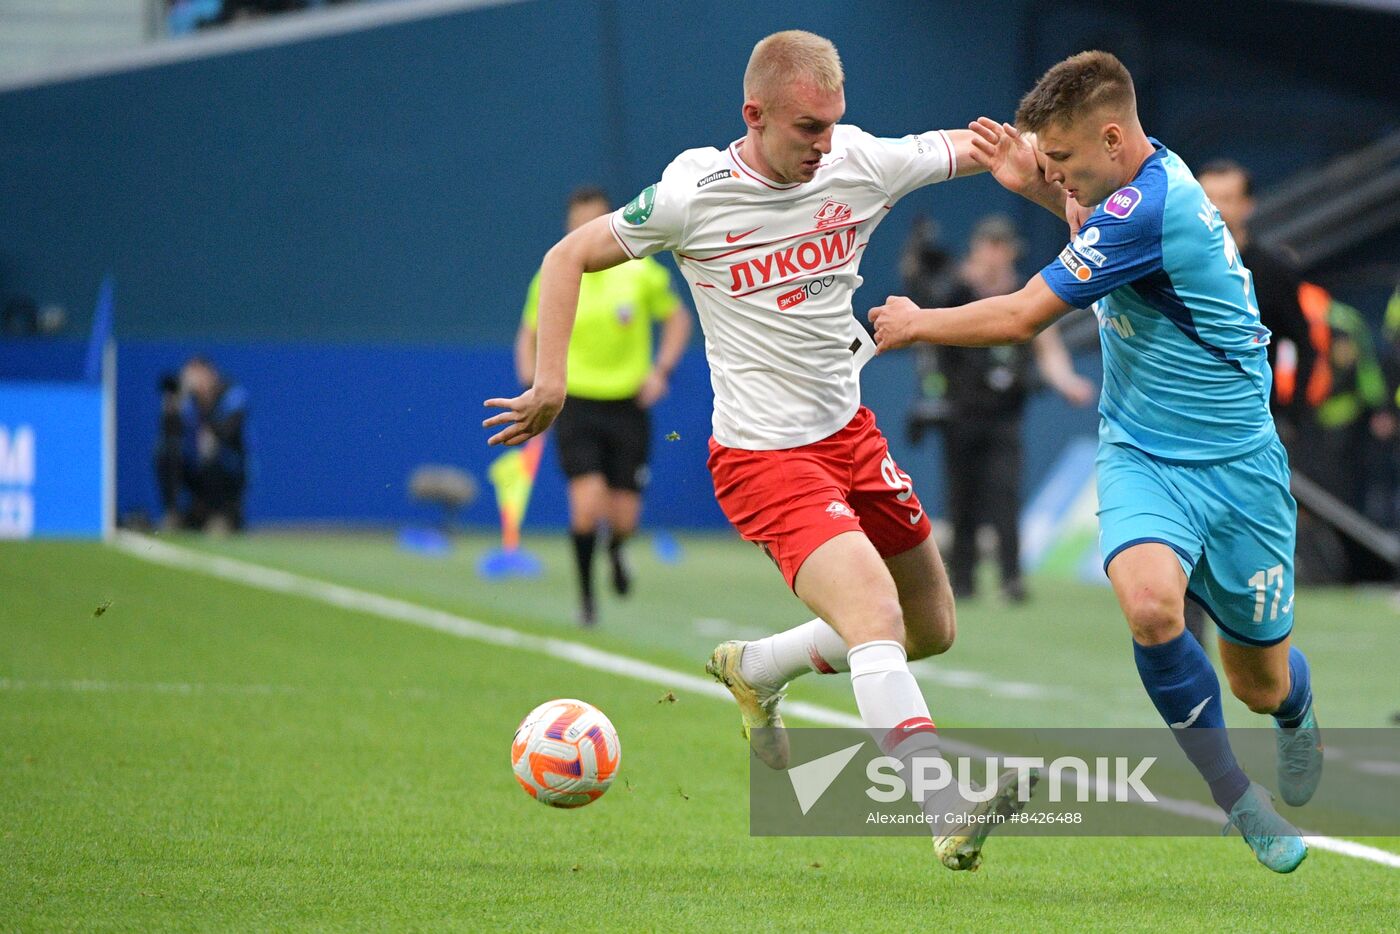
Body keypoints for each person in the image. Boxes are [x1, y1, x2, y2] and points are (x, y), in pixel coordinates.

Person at [485, 30, 1038, 871]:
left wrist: (1032, 161)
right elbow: (568, 257)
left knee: (930, 628)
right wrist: (551, 382)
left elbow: (982, 147)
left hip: (850, 437)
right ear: (755, 115)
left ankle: (758, 668)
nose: (825, 145)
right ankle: (942, 802)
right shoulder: (690, 194)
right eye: (808, 129)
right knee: (875, 617)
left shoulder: (861, 161)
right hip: (763, 459)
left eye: (833, 125)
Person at [870, 51, 1321, 874]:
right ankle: (1238, 801)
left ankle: (1295, 709)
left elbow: (1018, 318)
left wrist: (918, 323)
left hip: (1240, 467)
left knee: (1258, 682)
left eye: (1066, 162)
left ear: (1113, 138)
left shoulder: (1151, 208)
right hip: (1142, 451)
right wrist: (1039, 186)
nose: (1059, 179)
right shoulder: (1134, 183)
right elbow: (1098, 221)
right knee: (1152, 610)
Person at [515, 186, 692, 627]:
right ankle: (587, 601)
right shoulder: (556, 271)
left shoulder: (639, 272)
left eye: (595, 219)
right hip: (576, 403)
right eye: (578, 221)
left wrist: (661, 370)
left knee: (625, 517)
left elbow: (677, 319)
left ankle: (616, 550)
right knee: (586, 504)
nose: (585, 229)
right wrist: (534, 381)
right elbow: (529, 332)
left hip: (627, 406)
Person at [903, 214, 1093, 602]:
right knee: (961, 498)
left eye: (1001, 247)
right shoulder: (957, 291)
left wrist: (1067, 382)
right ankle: (963, 579)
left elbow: (1048, 346)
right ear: (976, 248)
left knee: (1005, 496)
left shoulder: (1025, 295)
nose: (994, 255)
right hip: (960, 411)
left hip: (1005, 414)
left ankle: (1011, 578)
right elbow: (925, 305)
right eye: (988, 246)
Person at [1198, 160, 1320, 441]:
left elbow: (1304, 342)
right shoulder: (1176, 266)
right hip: (1193, 421)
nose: (1216, 208)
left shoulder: (1271, 271)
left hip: (1252, 424)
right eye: (1207, 199)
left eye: (1227, 199)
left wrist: (1292, 416)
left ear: (1247, 205)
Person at [154, 356, 249, 532]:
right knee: (166, 453)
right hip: (197, 469)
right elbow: (169, 435)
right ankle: (172, 513)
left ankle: (221, 516)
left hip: (228, 470)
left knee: (212, 452)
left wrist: (204, 406)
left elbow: (227, 433)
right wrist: (171, 409)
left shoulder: (233, 395)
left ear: (212, 374)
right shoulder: (187, 401)